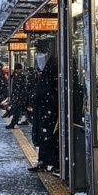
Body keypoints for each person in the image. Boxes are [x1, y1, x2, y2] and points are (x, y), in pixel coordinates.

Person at [29, 39, 59, 172]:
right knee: (44, 136)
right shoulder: (46, 69)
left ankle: (51, 161)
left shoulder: (53, 67)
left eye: (39, 52)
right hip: (45, 110)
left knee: (49, 136)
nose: (37, 56)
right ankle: (44, 160)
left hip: (50, 111)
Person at [6, 63, 27, 129]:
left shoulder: (20, 76)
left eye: (20, 69)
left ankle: (13, 123)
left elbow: (22, 87)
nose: (20, 71)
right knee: (16, 111)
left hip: (18, 96)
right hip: (17, 96)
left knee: (16, 111)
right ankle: (14, 122)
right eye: (19, 69)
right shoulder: (16, 76)